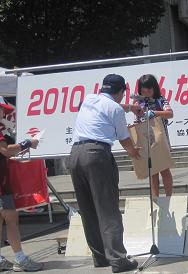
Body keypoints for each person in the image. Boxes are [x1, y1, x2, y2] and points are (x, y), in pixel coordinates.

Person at [69, 74, 141, 273]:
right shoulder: (116, 108)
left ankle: (100, 257)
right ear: (121, 92)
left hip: (75, 155)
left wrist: (130, 107)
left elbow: (108, 106)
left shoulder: (89, 99)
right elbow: (125, 138)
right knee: (107, 207)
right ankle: (118, 259)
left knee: (88, 208)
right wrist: (134, 153)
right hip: (97, 156)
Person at [0, 96, 43, 272]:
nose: (3, 112)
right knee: (11, 220)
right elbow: (5, 150)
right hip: (1, 185)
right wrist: (27, 143)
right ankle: (20, 258)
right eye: (1, 109)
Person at [134, 74, 174, 199]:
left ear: (154, 88)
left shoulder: (161, 100)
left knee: (165, 169)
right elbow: (136, 120)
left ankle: (169, 197)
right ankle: (155, 198)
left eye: (149, 90)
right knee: (153, 171)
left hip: (161, 139)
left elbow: (170, 114)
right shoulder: (137, 102)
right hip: (146, 139)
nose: (146, 93)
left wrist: (155, 113)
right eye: (143, 90)